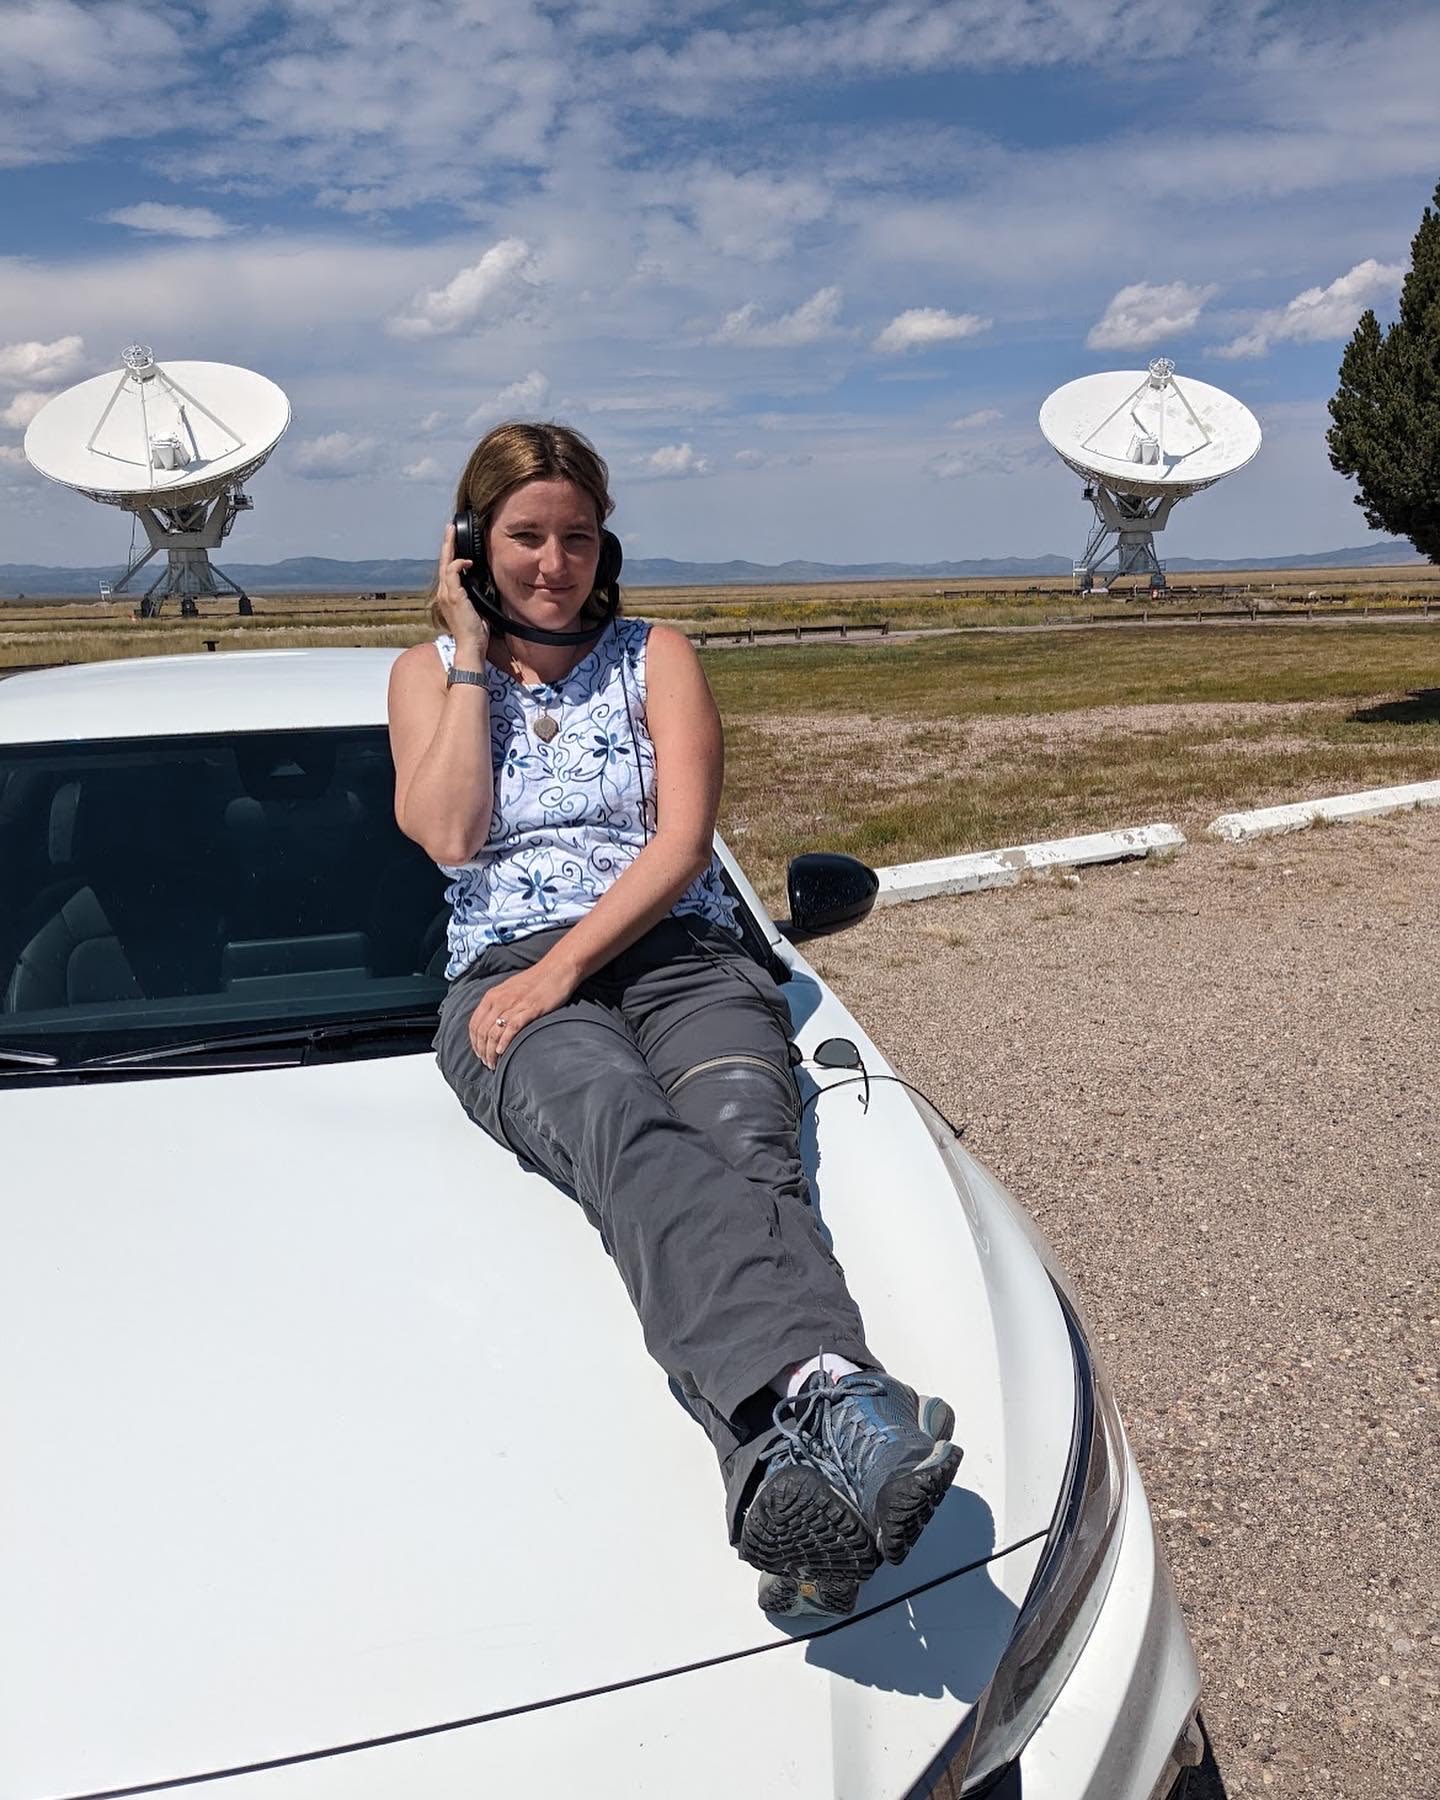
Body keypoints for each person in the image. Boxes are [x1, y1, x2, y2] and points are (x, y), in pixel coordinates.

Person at [387, 421, 961, 1617]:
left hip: (681, 952)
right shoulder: (425, 677)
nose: (555, 562)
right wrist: (465, 654)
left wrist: (575, 966)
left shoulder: (660, 654)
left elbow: (682, 844)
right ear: (470, 543)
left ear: (609, 545)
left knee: (747, 1151)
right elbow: (447, 836)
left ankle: (780, 1479)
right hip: (505, 973)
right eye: (525, 536)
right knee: (624, 1131)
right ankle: (837, 1392)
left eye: (578, 537)